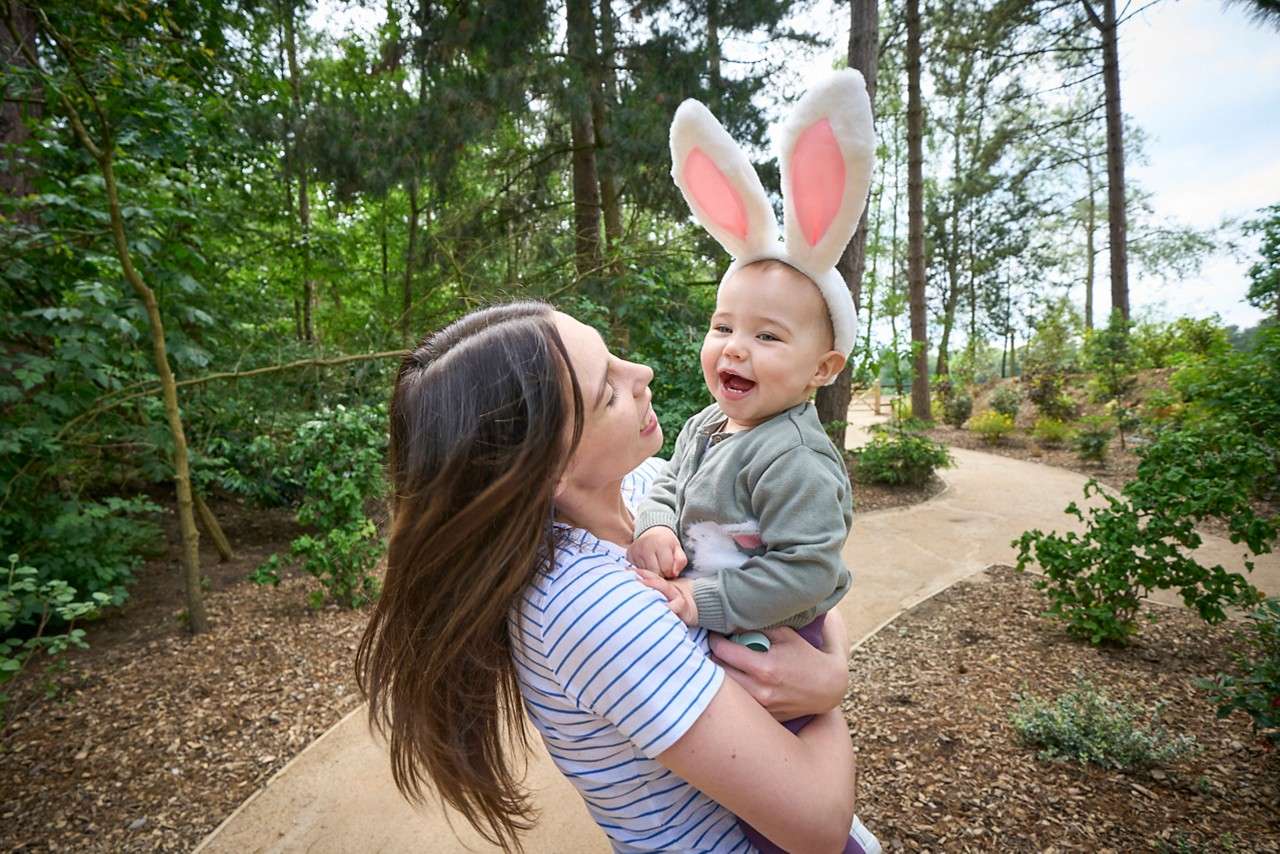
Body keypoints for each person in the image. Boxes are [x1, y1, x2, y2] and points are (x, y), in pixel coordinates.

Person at [356, 301, 863, 853]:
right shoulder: (589, 603)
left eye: (614, 357)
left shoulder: (643, 485)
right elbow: (819, 825)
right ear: (547, 469)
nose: (641, 374)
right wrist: (828, 697)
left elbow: (802, 577)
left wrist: (828, 671)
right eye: (608, 393)